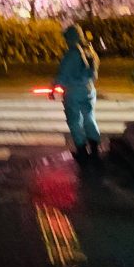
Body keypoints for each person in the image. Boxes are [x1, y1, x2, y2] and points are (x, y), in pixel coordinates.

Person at [51, 23, 102, 163]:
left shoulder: (72, 54)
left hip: (74, 92)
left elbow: (62, 75)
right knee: (89, 117)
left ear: (71, 38)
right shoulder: (90, 50)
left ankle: (82, 151)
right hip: (89, 90)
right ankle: (95, 149)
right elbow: (94, 71)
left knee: (74, 121)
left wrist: (54, 87)